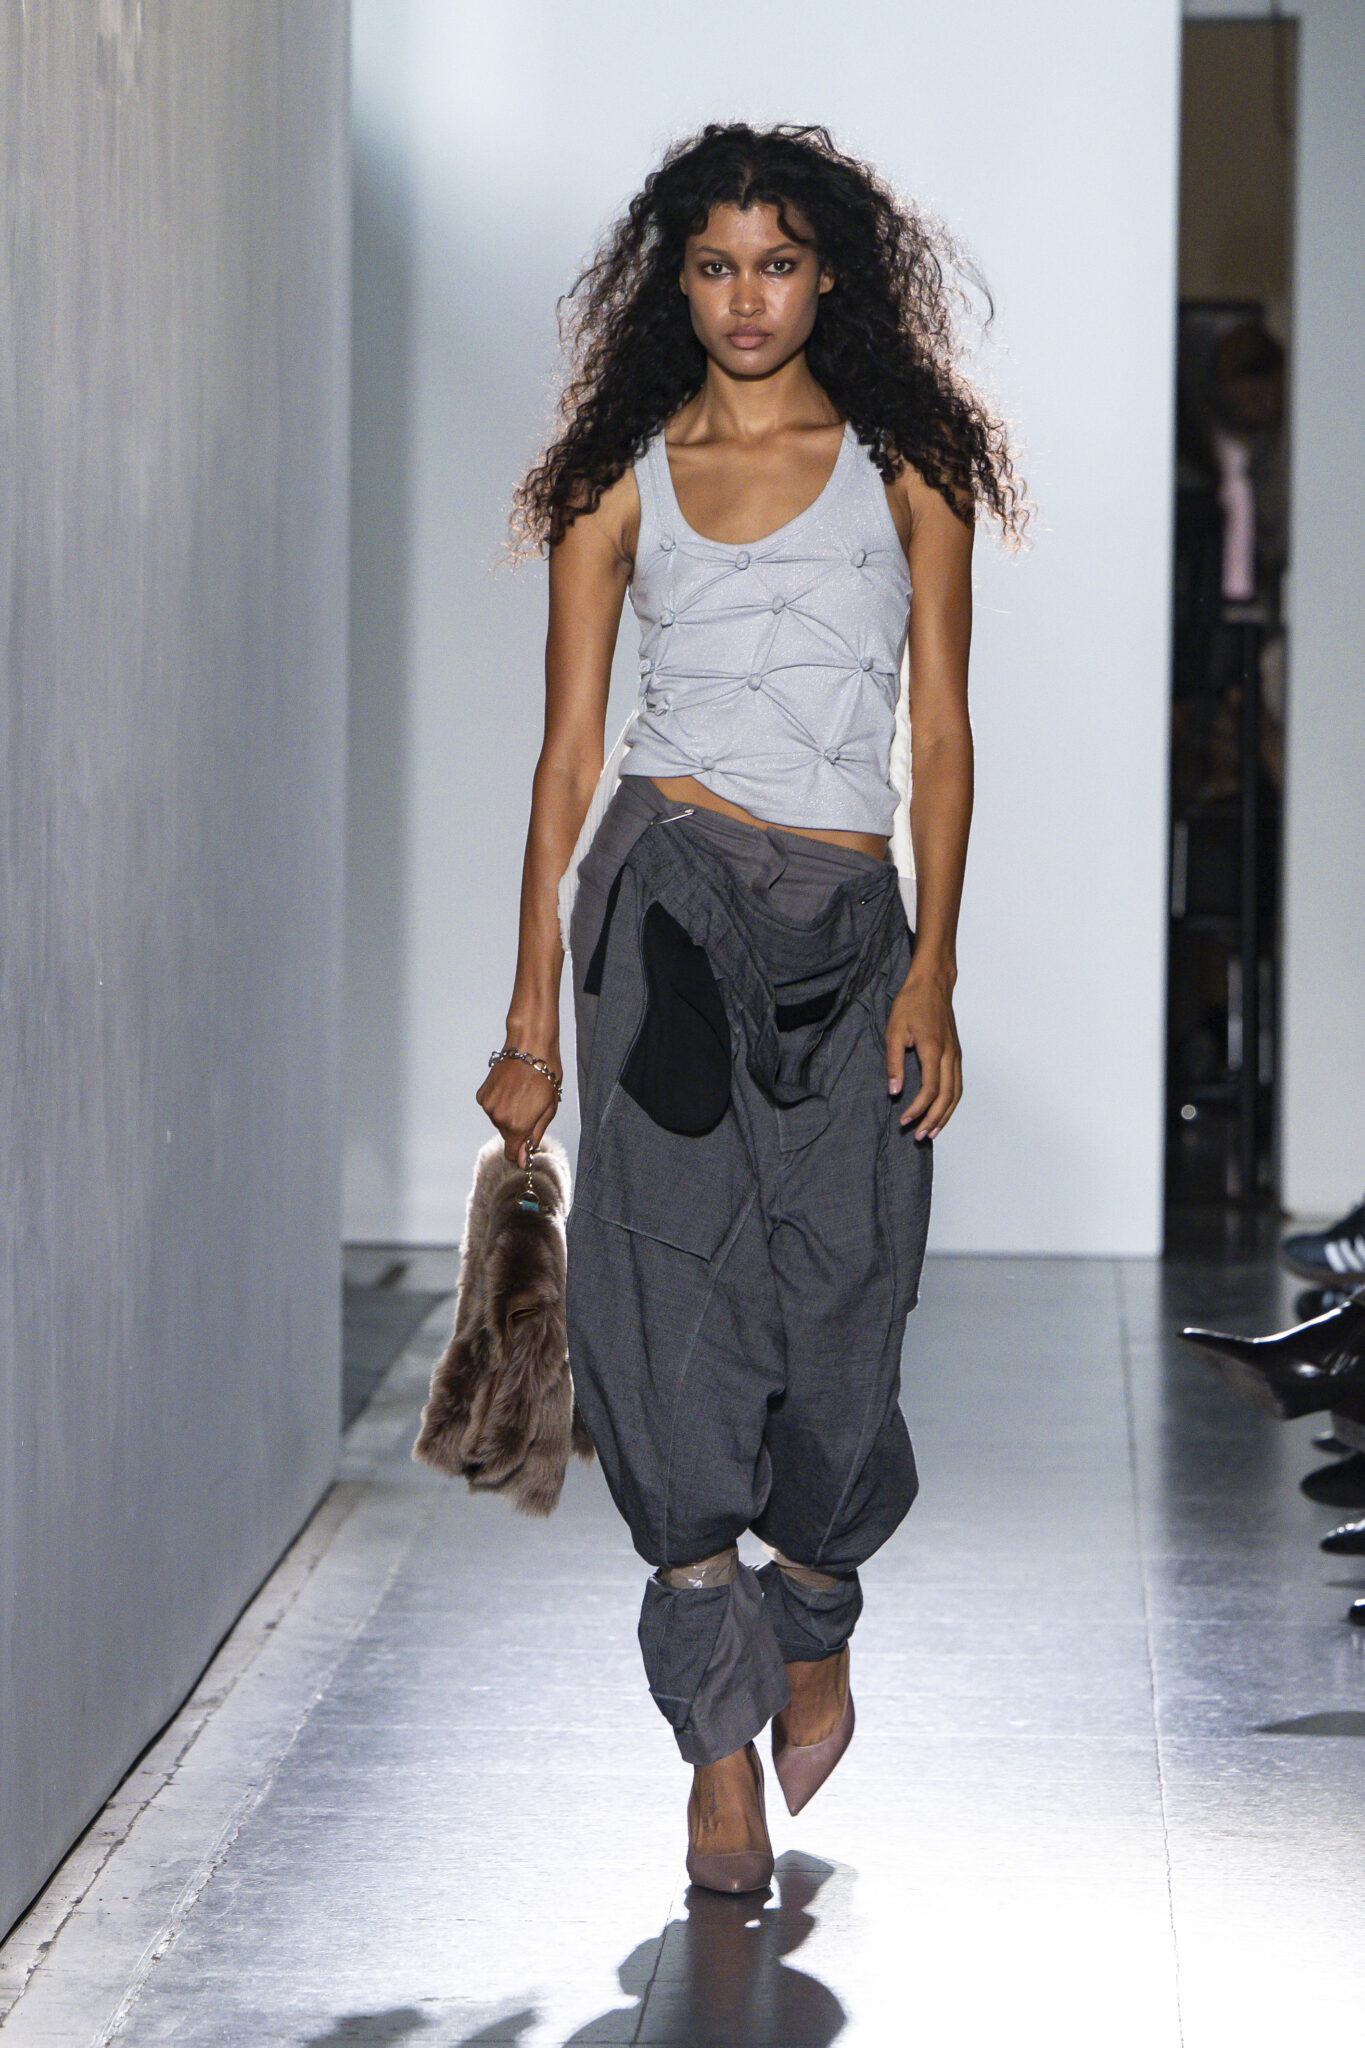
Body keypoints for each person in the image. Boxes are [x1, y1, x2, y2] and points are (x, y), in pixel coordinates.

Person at [476, 122, 1029, 1892]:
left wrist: (936, 964)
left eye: (775, 264)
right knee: (665, 1314)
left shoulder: (906, 468)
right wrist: (528, 1026)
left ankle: (816, 1606)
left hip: (853, 925)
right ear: (675, 281)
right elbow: (566, 760)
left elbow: (939, 735)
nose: (744, 298)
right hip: (666, 905)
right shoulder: (616, 480)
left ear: (829, 275)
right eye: (714, 266)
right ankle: (713, 1744)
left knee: (849, 1300)